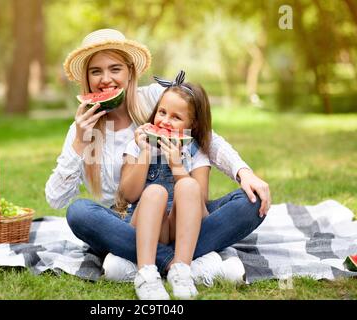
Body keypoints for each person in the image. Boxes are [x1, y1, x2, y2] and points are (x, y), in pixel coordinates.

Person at [45, 29, 271, 295]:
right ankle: (184, 265)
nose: (106, 79)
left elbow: (208, 141)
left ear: (130, 71)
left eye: (115, 68)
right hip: (126, 223)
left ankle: (144, 265)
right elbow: (56, 199)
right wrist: (80, 142)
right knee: (79, 212)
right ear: (86, 77)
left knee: (252, 201)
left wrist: (244, 172)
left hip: (185, 213)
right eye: (96, 71)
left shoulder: (153, 98)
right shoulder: (81, 128)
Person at [118, 71, 214, 299]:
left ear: (194, 124)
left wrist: (179, 167)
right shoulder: (138, 145)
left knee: (189, 187)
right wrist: (145, 153)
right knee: (155, 191)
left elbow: (202, 203)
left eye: (176, 117)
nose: (164, 122)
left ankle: (181, 268)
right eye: (162, 112)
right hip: (150, 226)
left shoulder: (197, 154)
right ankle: (146, 272)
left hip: (185, 229)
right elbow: (128, 195)